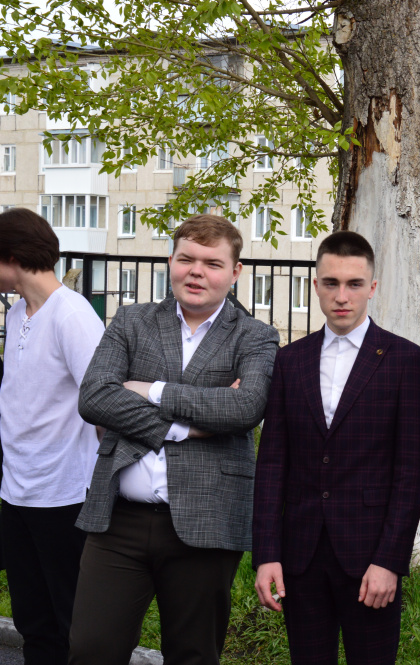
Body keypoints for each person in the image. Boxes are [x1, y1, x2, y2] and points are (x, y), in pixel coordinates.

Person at [69, 214, 280, 665]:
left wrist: (151, 390)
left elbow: (245, 408)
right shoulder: (132, 320)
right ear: (170, 262)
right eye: (186, 259)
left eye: (212, 263)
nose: (196, 271)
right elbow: (95, 397)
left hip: (207, 520)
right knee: (90, 649)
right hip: (118, 521)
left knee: (193, 654)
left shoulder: (256, 336)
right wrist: (182, 427)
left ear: (235, 272)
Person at [253, 231, 420, 665]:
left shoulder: (406, 360)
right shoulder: (290, 360)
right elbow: (272, 462)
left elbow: (412, 471)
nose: (341, 296)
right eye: (331, 283)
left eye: (354, 284)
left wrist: (390, 560)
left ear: (372, 287)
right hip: (301, 555)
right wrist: (267, 554)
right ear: (315, 285)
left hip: (370, 557)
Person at [0, 208, 105, 665]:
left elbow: (104, 402)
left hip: (64, 496)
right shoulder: (16, 313)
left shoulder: (73, 315)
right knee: (32, 620)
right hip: (16, 491)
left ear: (12, 257)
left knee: (71, 623)